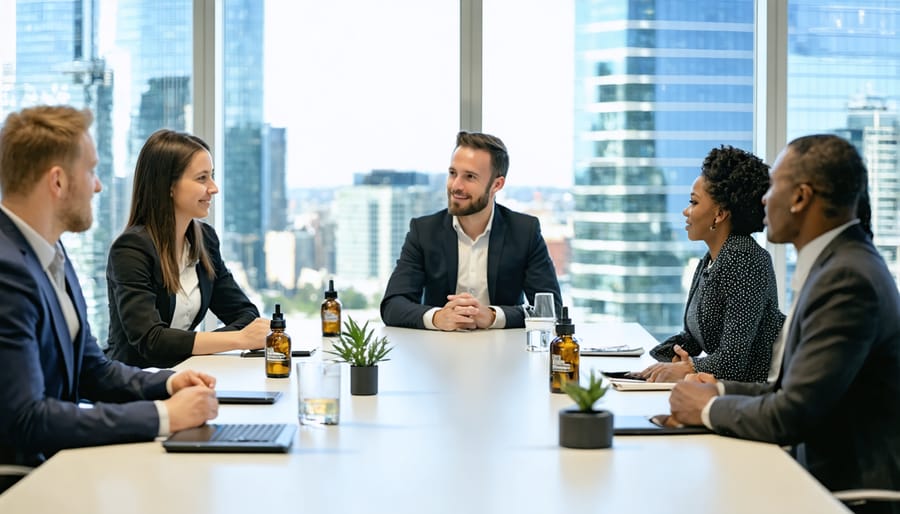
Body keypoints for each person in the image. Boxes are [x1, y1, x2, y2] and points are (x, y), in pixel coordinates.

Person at [669, 134, 900, 508]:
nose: (763, 199)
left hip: (850, 494)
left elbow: (792, 412)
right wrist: (718, 392)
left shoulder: (847, 278)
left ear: (800, 197)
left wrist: (707, 408)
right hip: (820, 475)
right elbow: (789, 392)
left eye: (774, 185)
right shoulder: (838, 264)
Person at [0, 106, 218, 478]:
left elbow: (91, 372)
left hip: (55, 466)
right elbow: (26, 418)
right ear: (58, 181)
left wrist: (166, 383)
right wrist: (164, 415)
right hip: (21, 480)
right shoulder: (8, 271)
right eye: (91, 171)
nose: (98, 185)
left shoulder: (52, 253)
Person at [105, 129, 268, 368]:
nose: (213, 188)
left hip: (186, 375)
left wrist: (233, 338)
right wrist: (238, 339)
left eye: (211, 176)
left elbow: (245, 315)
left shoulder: (205, 240)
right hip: (136, 387)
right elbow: (150, 340)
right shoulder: (131, 249)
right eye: (202, 178)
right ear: (168, 186)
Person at [380, 131, 561, 330]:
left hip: (504, 353)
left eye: (470, 177)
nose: (456, 186)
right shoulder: (423, 231)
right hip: (436, 352)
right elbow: (392, 305)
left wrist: (493, 316)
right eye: (452, 173)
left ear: (496, 184)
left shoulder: (524, 231)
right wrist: (438, 317)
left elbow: (551, 310)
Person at [640, 146, 784, 382]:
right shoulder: (711, 260)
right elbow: (691, 339)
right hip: (725, 391)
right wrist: (654, 362)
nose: (686, 211)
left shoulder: (744, 259)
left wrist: (687, 368)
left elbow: (732, 361)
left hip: (750, 397)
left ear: (719, 214)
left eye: (693, 203)